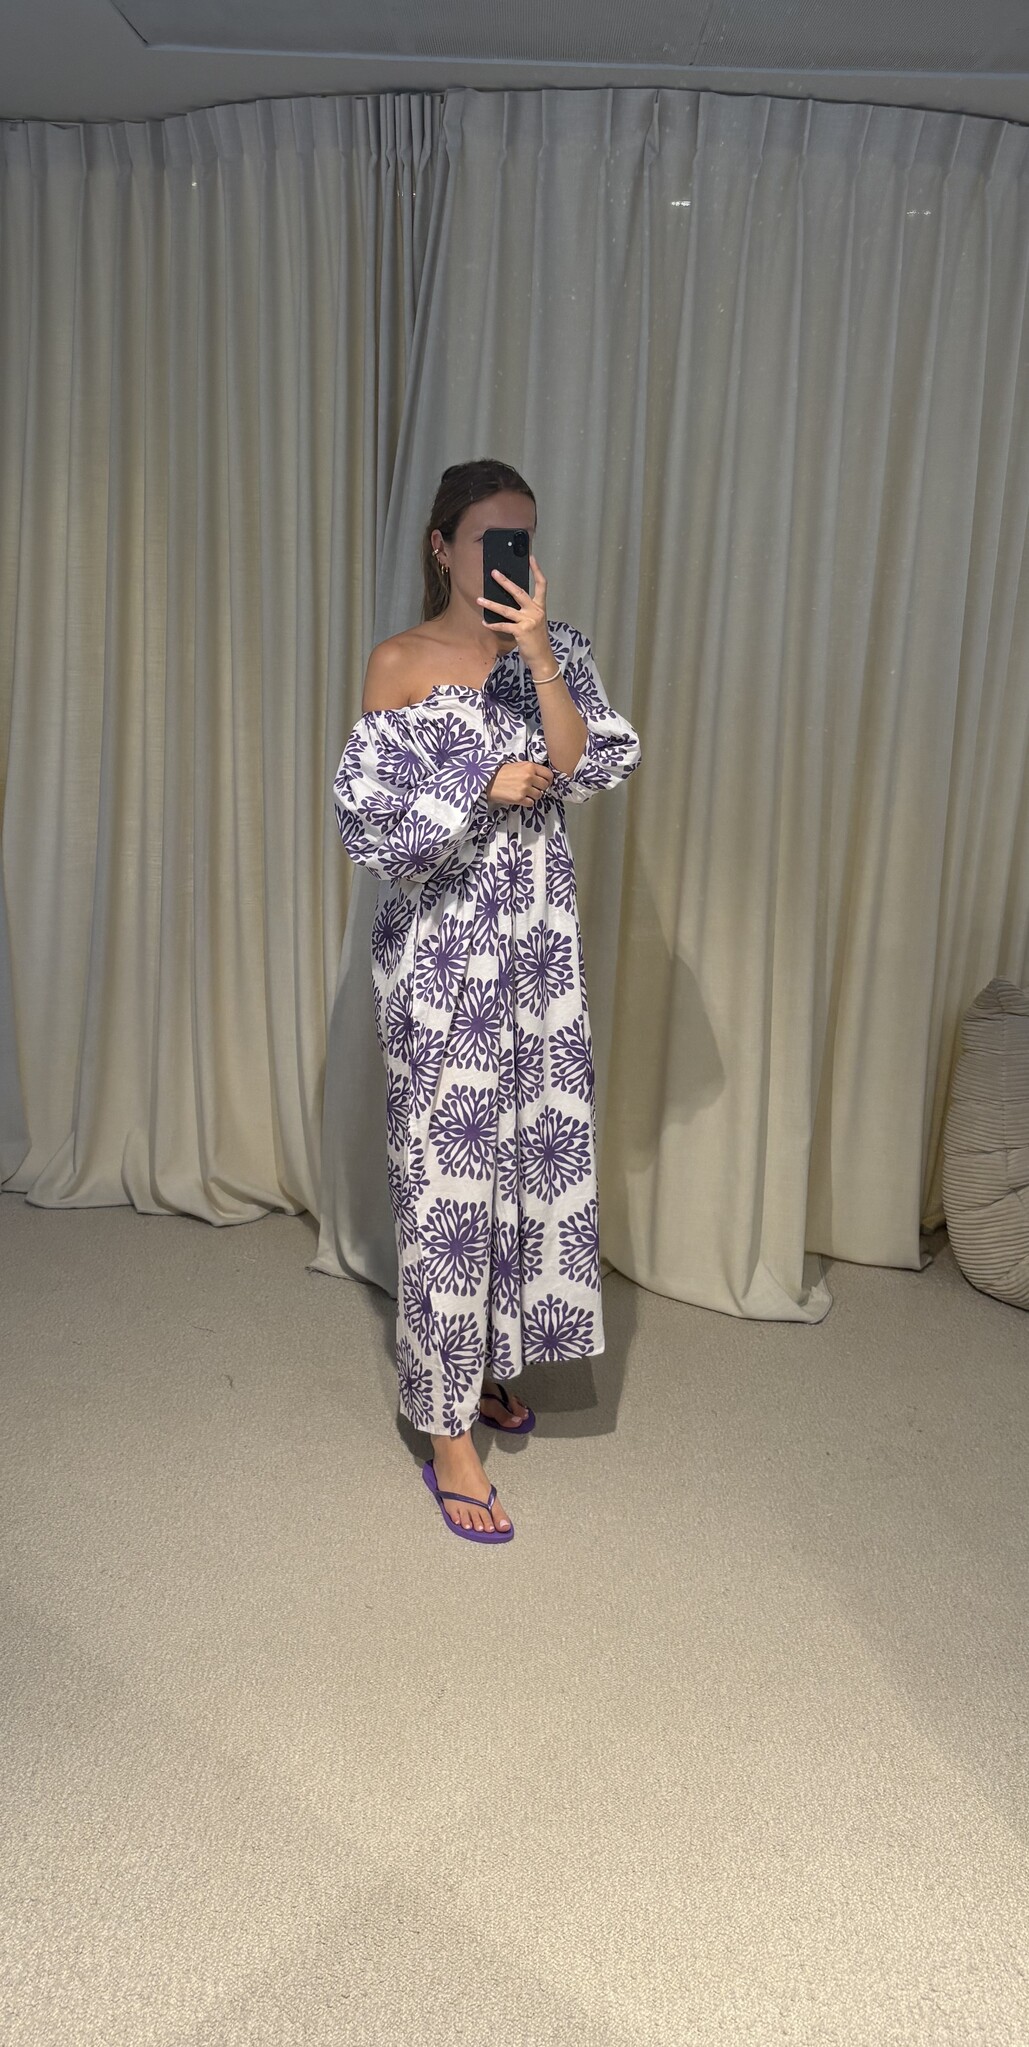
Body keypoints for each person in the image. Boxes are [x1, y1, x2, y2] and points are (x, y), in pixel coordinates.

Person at [332, 459, 640, 1542]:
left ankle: (485, 1361)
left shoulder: (554, 650)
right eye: (490, 538)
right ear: (442, 546)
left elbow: (582, 762)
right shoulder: (399, 661)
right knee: (447, 1185)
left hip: (537, 949)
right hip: (441, 954)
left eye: (525, 539)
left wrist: (540, 651)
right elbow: (374, 819)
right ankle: (443, 1423)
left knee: (519, 1163)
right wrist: (479, 785)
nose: (511, 557)